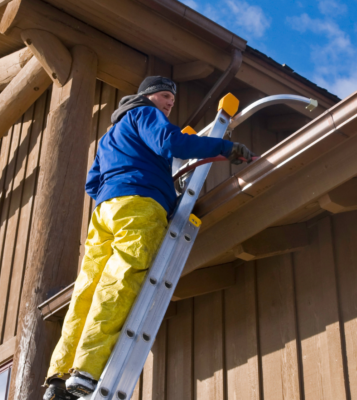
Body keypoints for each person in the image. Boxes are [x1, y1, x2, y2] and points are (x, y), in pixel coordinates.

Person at [43, 76, 254, 399]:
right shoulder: (145, 114)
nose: (169, 102)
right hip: (139, 206)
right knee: (121, 280)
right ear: (147, 96)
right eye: (165, 95)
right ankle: (86, 370)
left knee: (88, 288)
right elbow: (171, 144)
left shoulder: (109, 135)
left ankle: (59, 375)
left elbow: (92, 183)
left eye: (172, 98)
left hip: (104, 212)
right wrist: (225, 147)